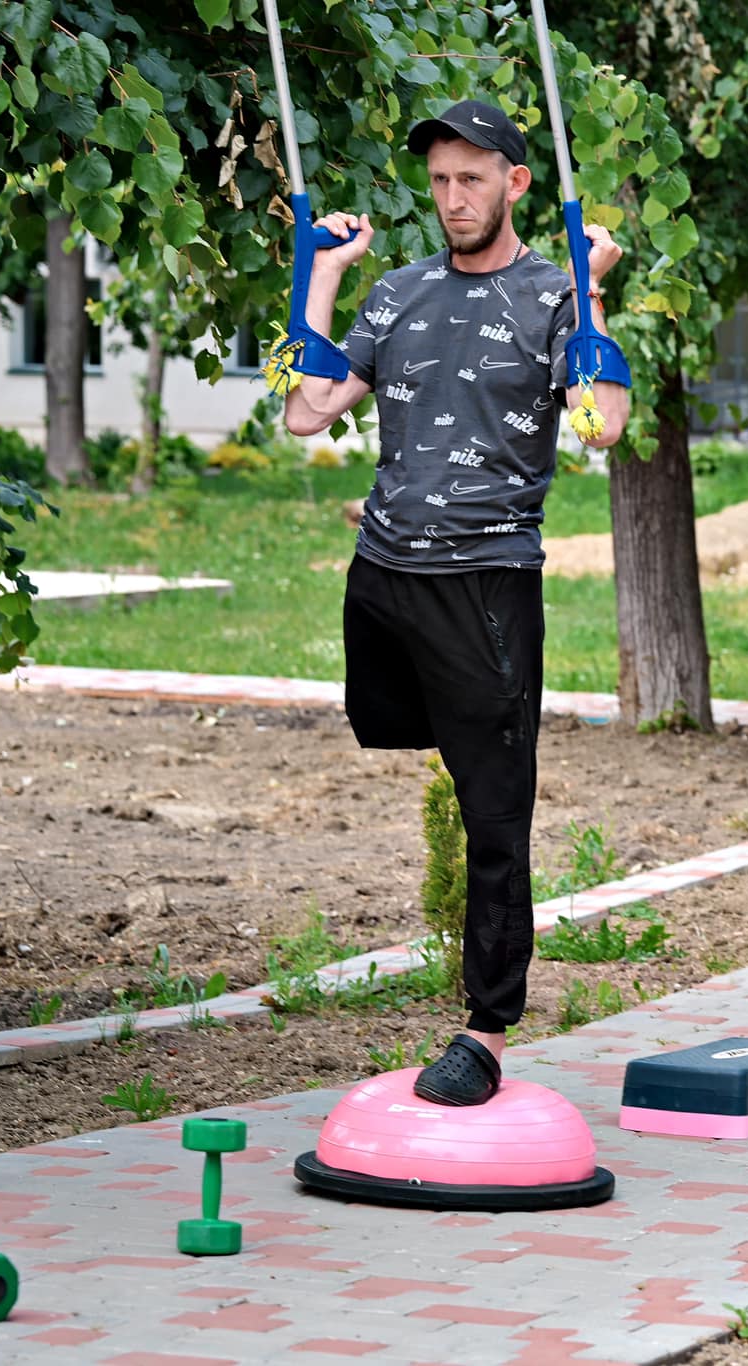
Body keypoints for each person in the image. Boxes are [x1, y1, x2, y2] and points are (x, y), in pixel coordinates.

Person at [282, 100, 629, 1106]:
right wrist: (324, 275)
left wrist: (588, 293)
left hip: (484, 583)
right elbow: (306, 409)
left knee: (493, 809)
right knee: (387, 726)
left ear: (516, 183)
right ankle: (480, 728)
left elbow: (601, 427)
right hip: (384, 577)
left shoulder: (553, 294)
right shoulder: (396, 293)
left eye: (471, 178)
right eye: (439, 181)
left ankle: (485, 1027)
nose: (451, 198)